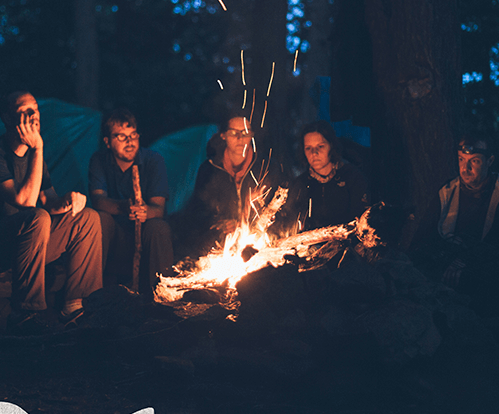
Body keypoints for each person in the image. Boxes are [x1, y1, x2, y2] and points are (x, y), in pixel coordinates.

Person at [0, 91, 103, 332]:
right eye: (25, 111)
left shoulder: (35, 157)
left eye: (35, 109)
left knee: (87, 218)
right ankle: (26, 312)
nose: (34, 116)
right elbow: (24, 200)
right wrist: (38, 148)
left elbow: (48, 200)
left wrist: (69, 200)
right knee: (37, 217)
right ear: (7, 118)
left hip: (23, 245)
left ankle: (76, 306)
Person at [411, 135, 499, 315]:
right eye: (461, 160)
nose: (466, 168)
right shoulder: (447, 192)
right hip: (447, 262)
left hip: (482, 266)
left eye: (475, 161)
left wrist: (465, 261)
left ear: (490, 161)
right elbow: (422, 237)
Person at [88, 108, 173, 297]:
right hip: (116, 237)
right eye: (121, 137)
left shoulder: (153, 161)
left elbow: (158, 209)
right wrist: (122, 207)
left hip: (145, 235)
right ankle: (90, 296)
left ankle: (162, 297)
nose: (129, 142)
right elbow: (98, 200)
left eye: (133, 135)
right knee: (99, 218)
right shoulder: (99, 160)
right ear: (107, 142)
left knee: (158, 227)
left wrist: (144, 211)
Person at [179, 115, 275, 257]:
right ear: (223, 135)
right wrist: (219, 222)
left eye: (245, 133)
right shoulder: (209, 169)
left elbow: (277, 205)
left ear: (252, 135)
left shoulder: (263, 167)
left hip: (258, 240)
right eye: (233, 133)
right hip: (220, 243)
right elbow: (198, 211)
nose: (240, 138)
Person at [276, 121, 368, 235]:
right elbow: (288, 221)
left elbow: (362, 218)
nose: (314, 153)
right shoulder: (300, 184)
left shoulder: (352, 177)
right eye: (308, 148)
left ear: (331, 146)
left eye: (320, 146)